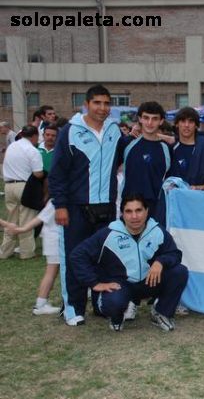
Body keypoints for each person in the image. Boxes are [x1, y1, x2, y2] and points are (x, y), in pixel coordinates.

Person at [49, 84, 128, 326]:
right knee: (74, 257)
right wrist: (60, 205)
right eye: (97, 103)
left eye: (106, 103)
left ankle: (101, 304)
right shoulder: (71, 131)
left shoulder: (114, 131)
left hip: (105, 208)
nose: (102, 108)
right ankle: (73, 307)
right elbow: (58, 173)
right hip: (75, 208)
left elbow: (130, 153)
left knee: (103, 258)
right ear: (87, 104)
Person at [70, 194, 188, 332]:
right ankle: (117, 317)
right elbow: (77, 255)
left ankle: (162, 312)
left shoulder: (157, 231)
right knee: (113, 302)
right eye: (129, 211)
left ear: (146, 211)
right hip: (121, 285)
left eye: (138, 210)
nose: (134, 216)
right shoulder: (108, 234)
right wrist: (94, 283)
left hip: (148, 282)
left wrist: (160, 262)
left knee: (179, 271)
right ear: (122, 213)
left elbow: (175, 254)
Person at [2, 200, 61, 315]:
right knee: (52, 271)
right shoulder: (56, 201)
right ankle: (41, 304)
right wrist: (21, 229)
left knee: (55, 270)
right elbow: (40, 218)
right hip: (54, 239)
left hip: (55, 238)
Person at [121, 101, 173, 219]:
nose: (150, 123)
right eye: (146, 118)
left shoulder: (167, 149)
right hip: (130, 210)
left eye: (154, 119)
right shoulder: (127, 144)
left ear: (161, 121)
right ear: (140, 119)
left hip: (156, 211)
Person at [0, 125, 44, 260]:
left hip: (8, 185)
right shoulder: (32, 150)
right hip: (24, 186)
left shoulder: (12, 146)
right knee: (27, 219)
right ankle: (26, 252)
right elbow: (38, 173)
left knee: (11, 220)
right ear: (34, 136)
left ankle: (5, 251)